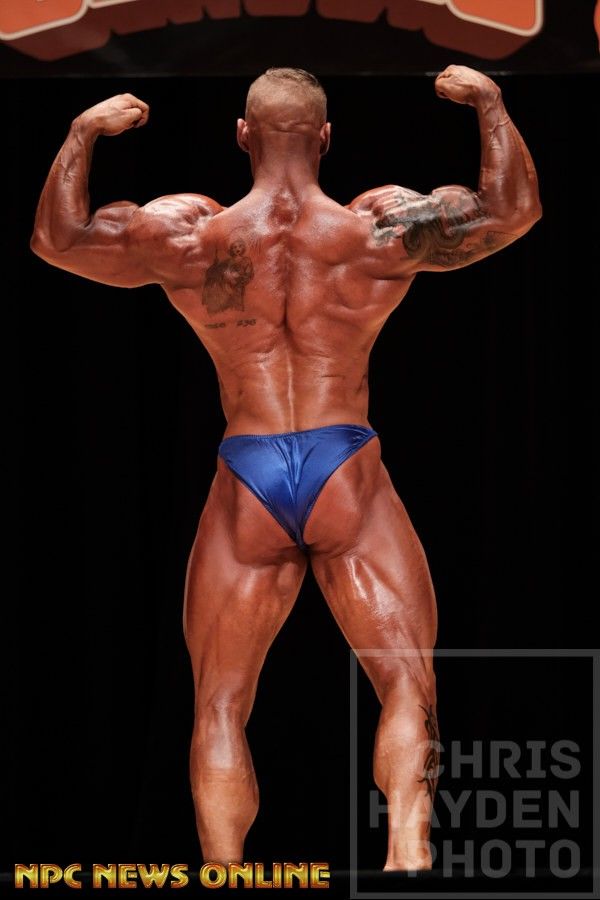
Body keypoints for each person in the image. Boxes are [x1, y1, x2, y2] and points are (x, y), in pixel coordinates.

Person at [30, 65, 541, 871]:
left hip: (250, 471)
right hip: (345, 465)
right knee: (407, 686)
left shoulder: (192, 238)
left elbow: (57, 241)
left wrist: (81, 133)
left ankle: (225, 874)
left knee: (220, 705)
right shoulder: (376, 231)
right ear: (326, 138)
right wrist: (490, 103)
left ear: (243, 135)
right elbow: (512, 212)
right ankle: (408, 860)